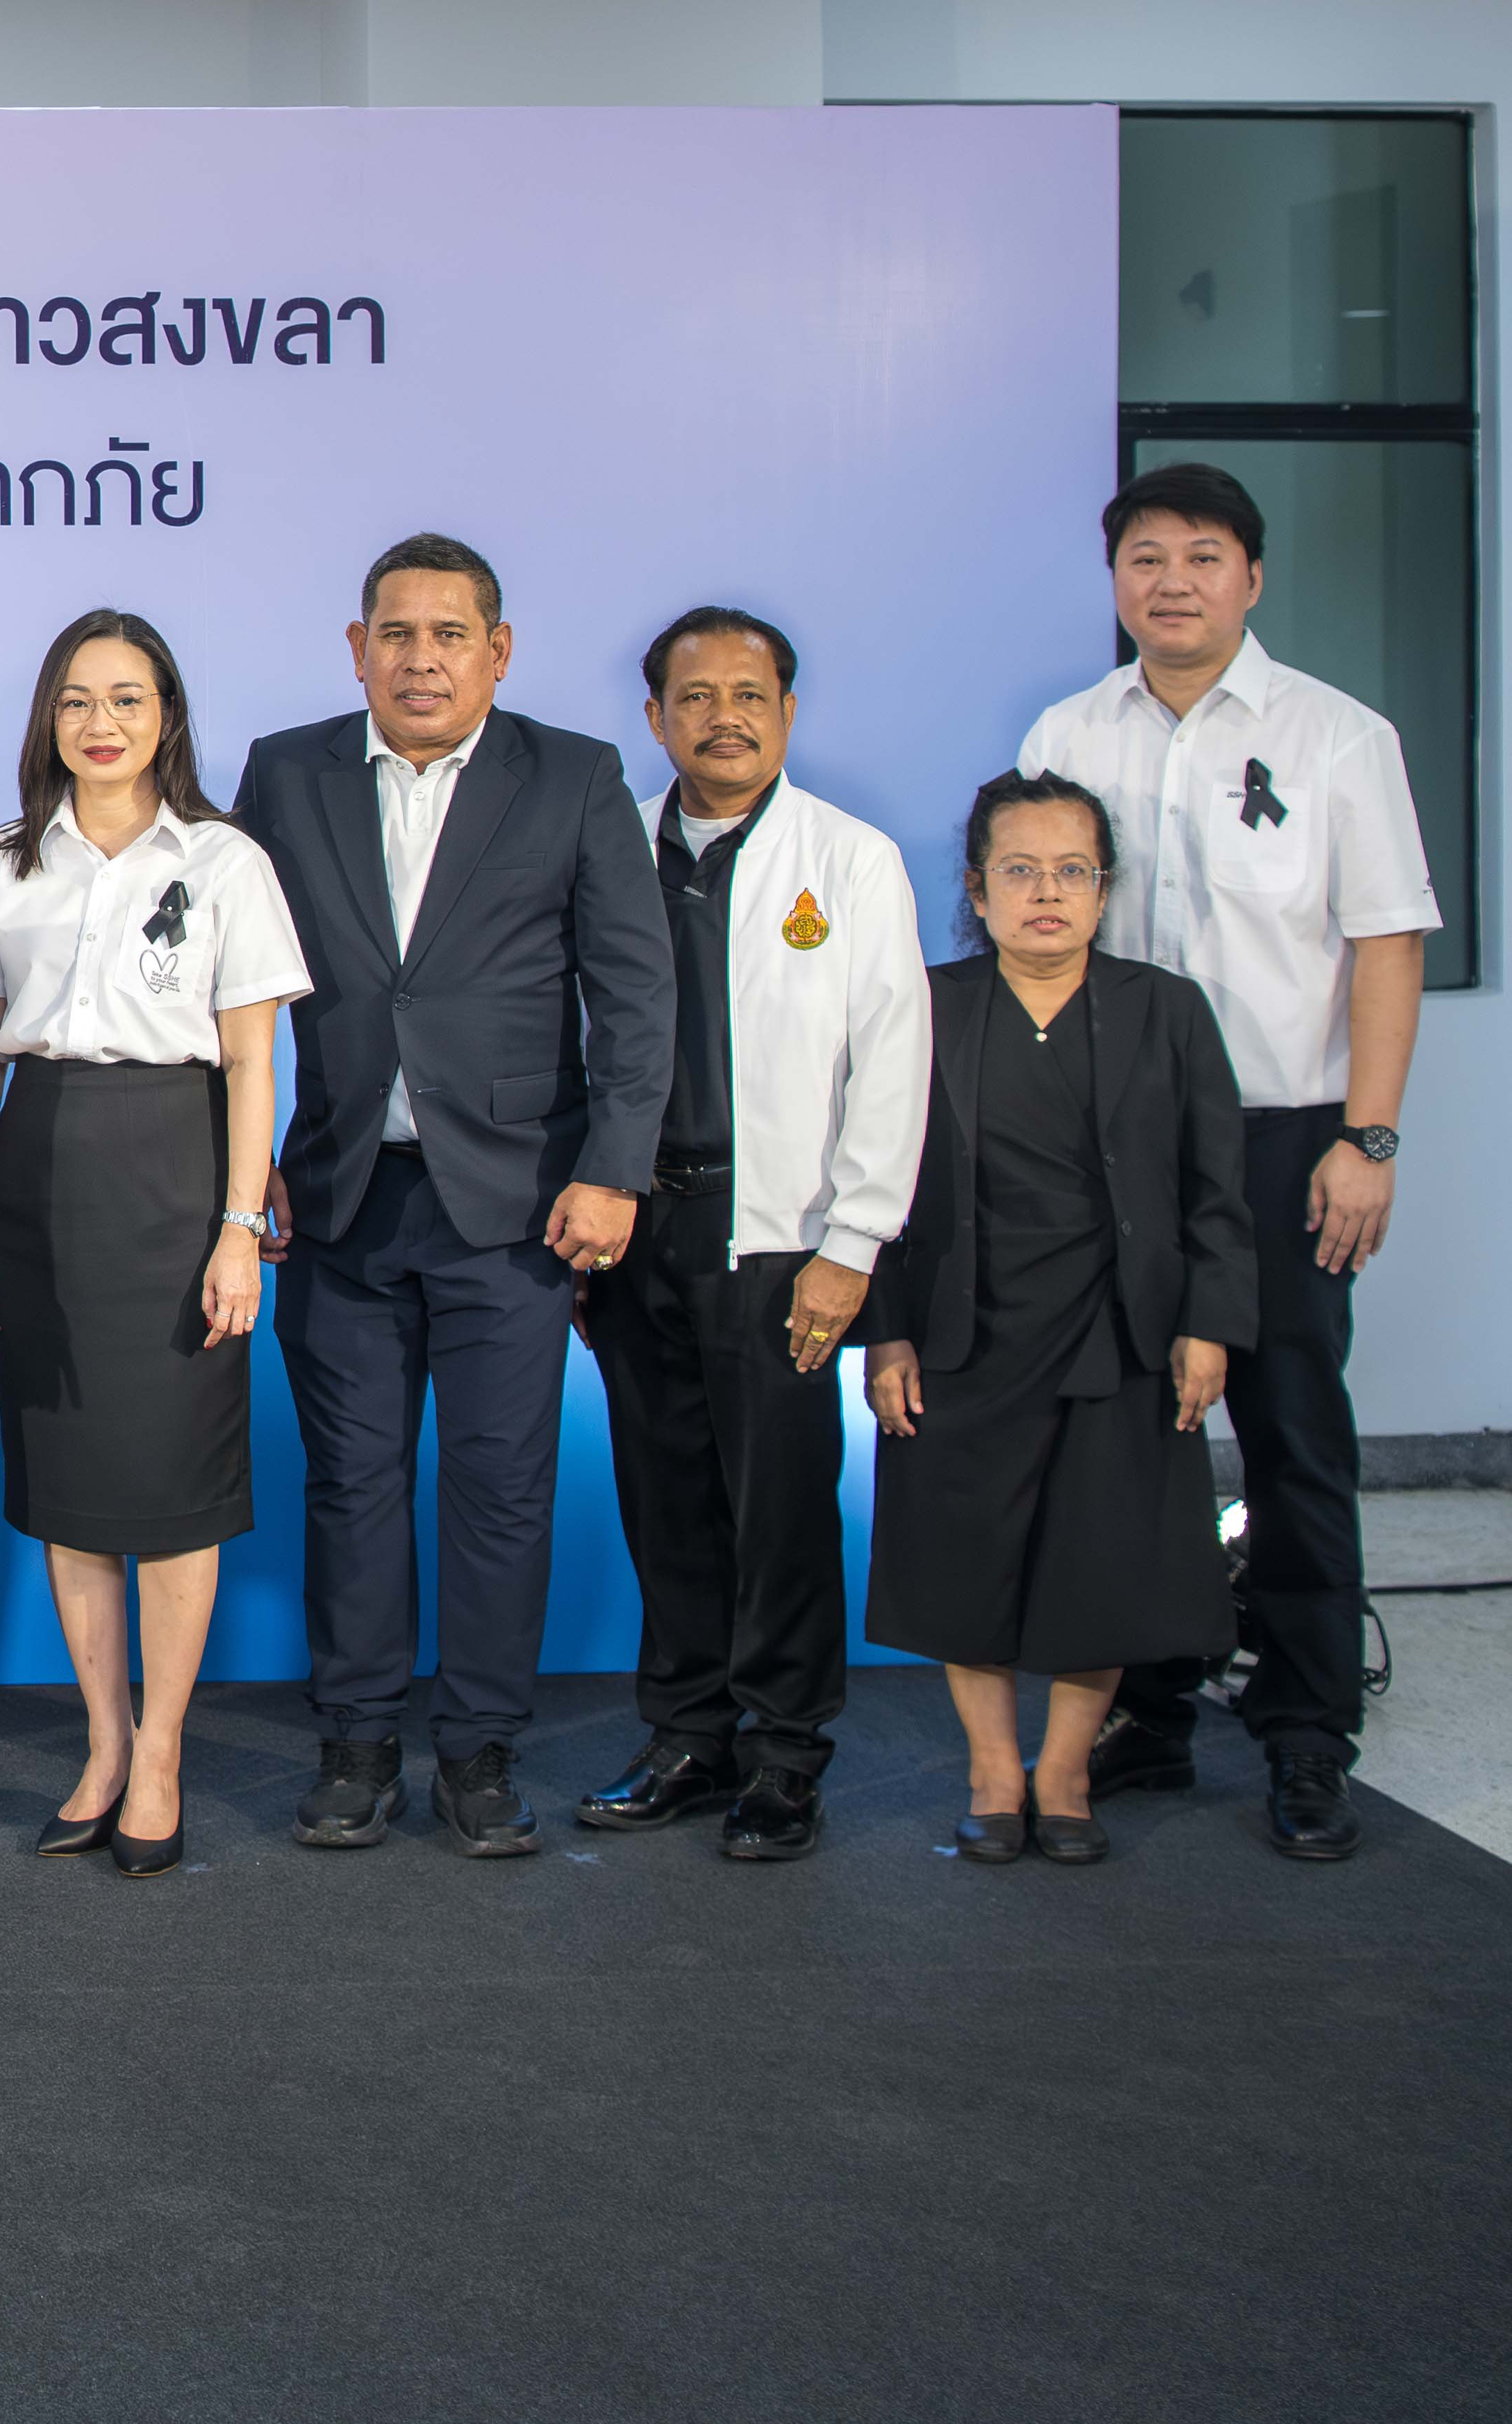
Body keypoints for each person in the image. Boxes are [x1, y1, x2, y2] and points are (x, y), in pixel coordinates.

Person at [230, 533, 672, 1857]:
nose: (419, 659)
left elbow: (634, 991)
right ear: (355, 649)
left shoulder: (576, 777)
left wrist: (614, 1168)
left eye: (447, 634)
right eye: (395, 634)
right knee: (350, 1484)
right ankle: (358, 1742)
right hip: (338, 1192)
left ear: (498, 651)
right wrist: (239, 1160)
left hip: (519, 1203)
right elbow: (225, 983)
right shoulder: (284, 772)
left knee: (501, 1487)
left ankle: (478, 1750)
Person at [1017, 461, 1431, 1861]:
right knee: (1128, 1437)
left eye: (1202, 555)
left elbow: (1384, 943)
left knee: (1292, 1429)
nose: (1173, 580)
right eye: (1146, 556)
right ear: (1114, 581)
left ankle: (1307, 1732)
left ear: (1251, 577)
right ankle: (1148, 1707)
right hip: (1107, 1142)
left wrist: (1366, 1137)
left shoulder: (1336, 736)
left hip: (1286, 1137)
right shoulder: (1068, 733)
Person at [566, 606, 928, 1863]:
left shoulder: (852, 858)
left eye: (749, 695)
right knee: (662, 1496)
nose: (723, 718)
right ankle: (685, 1736)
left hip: (779, 1235)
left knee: (777, 1509)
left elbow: (893, 1060)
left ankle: (783, 1755)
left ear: (786, 711)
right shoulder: (607, 847)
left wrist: (852, 1244)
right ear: (653, 715)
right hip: (632, 1221)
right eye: (695, 696)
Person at [0, 609, 305, 1882]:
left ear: (167, 717)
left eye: (126, 699)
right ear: (47, 719)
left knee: (171, 1488)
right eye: (75, 701)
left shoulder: (223, 860)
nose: (99, 724)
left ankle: (161, 1752)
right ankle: (101, 1745)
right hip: (40, 1171)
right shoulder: (2, 862)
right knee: (72, 1492)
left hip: (176, 1169)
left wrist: (237, 1227)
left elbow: (254, 1060)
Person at [858, 773, 1257, 1865]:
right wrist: (885, 1329)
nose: (1046, 892)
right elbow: (871, 1182)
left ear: (1102, 889)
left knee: (1102, 1558)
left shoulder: (1164, 1009)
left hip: (1120, 1331)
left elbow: (1213, 1187)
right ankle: (993, 1772)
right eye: (1019, 871)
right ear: (976, 890)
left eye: (1070, 871)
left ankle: (1066, 1770)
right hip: (961, 1329)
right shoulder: (924, 1004)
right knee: (964, 1558)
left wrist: (1209, 1324)